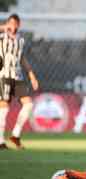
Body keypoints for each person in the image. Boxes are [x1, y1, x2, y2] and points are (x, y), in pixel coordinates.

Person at [0, 14, 39, 150]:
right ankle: (0, 141)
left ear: (18, 25)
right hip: (4, 75)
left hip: (18, 76)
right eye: (10, 22)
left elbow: (22, 59)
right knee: (3, 108)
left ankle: (15, 135)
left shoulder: (20, 40)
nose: (12, 25)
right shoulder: (2, 36)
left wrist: (32, 75)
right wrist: (4, 27)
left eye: (14, 23)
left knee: (28, 104)